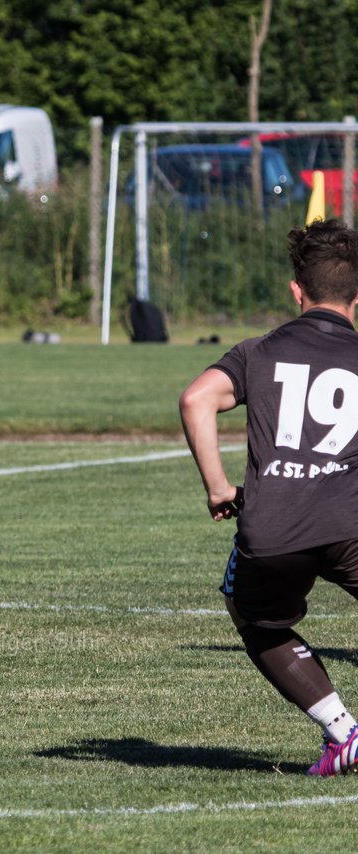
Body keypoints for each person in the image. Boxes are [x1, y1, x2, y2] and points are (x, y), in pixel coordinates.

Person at [179, 218, 358, 777]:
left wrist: (217, 487)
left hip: (274, 527)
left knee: (256, 617)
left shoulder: (259, 351)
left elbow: (195, 400)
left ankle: (343, 732)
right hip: (351, 525)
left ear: (296, 291)